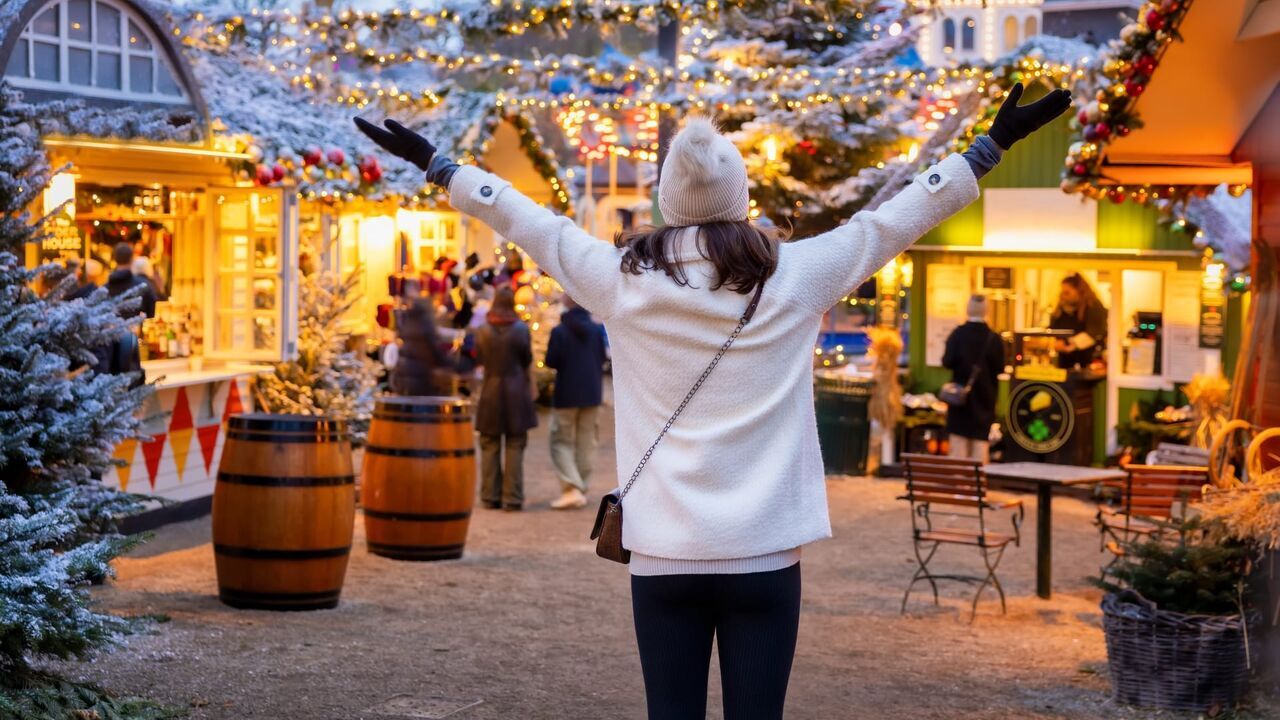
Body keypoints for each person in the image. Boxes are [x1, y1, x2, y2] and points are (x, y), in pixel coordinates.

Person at [357, 81, 1070, 719]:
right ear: (741, 198)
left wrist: (441, 166)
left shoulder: (620, 279)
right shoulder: (796, 275)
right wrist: (988, 148)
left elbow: (530, 222)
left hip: (663, 552)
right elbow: (890, 223)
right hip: (765, 553)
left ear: (668, 200)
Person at [473, 286, 538, 511]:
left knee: (489, 444)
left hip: (490, 391)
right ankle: (512, 497)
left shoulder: (482, 330)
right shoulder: (521, 329)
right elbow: (526, 359)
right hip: (516, 390)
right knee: (515, 444)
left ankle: (489, 496)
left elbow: (479, 359)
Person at [545, 295, 609, 510]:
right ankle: (581, 487)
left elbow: (551, 360)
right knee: (587, 442)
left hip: (567, 393)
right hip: (592, 392)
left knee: (560, 441)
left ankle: (571, 488)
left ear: (567, 303)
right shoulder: (596, 330)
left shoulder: (559, 331)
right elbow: (603, 358)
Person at [941, 295, 1004, 463]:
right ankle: (977, 480)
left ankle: (959, 480)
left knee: (958, 450)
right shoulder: (994, 339)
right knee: (980, 450)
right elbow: (1000, 368)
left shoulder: (958, 334)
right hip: (984, 401)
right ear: (986, 311)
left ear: (968, 309)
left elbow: (947, 362)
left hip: (960, 401)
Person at [390, 279, 457, 396]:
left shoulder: (411, 318)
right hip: (421, 377)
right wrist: (455, 365)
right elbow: (434, 348)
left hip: (408, 375)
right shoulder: (425, 319)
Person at [1050, 272, 1108, 369]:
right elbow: (1053, 327)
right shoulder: (1061, 308)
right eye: (1063, 292)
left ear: (1079, 291)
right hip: (1064, 360)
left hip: (1088, 360)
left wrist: (1069, 344)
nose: (1063, 296)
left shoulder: (1093, 306)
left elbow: (1095, 332)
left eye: (1067, 293)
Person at [106, 243, 156, 319]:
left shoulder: (105, 288)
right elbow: (152, 312)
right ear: (132, 259)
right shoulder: (143, 285)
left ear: (115, 259)